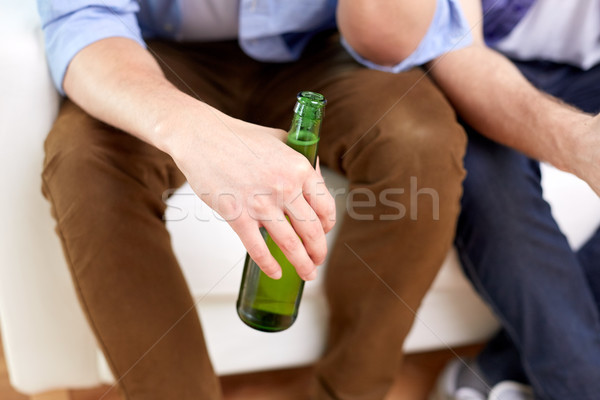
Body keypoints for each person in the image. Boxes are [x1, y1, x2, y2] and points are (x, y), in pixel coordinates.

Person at [37, 1, 471, 399]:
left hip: (321, 51)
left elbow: (409, 30)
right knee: (86, 159)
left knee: (420, 143)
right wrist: (192, 131)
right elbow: (82, 19)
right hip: (152, 55)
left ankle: (349, 392)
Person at [339, 1, 600, 399]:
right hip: (470, 65)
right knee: (490, 183)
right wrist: (581, 143)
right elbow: (456, 51)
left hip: (589, 73)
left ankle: (502, 366)